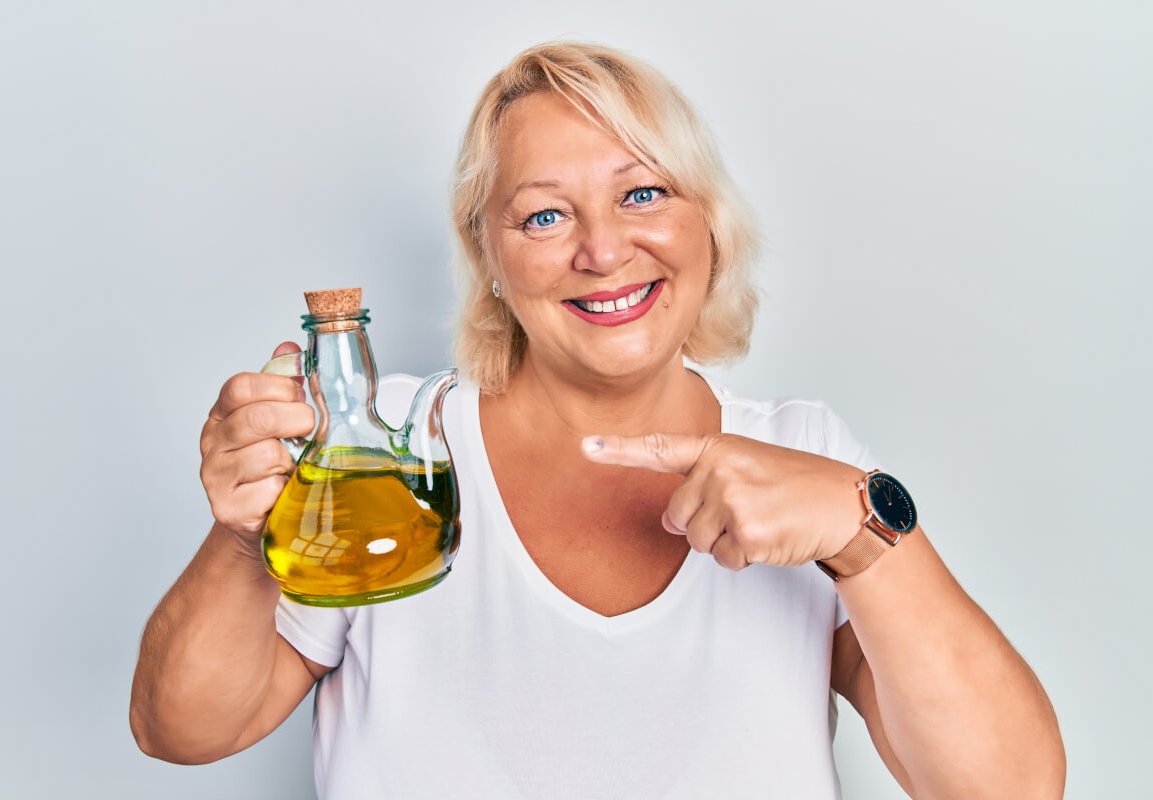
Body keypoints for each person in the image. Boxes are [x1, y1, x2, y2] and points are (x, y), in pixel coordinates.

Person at [130, 42, 1065, 798]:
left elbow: (1009, 789)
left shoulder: (805, 458)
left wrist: (861, 534)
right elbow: (186, 731)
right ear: (486, 253)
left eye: (644, 193)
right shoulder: (387, 451)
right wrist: (241, 533)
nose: (605, 249)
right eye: (543, 217)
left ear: (710, 225)